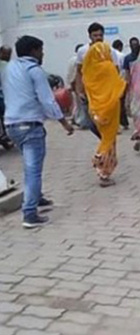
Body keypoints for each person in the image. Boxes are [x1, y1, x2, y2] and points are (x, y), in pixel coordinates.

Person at [3, 36, 74, 228]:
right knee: (33, 170)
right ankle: (30, 213)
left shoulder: (9, 69)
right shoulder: (35, 71)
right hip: (30, 125)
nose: (43, 53)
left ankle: (37, 197)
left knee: (30, 165)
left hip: (11, 125)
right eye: (41, 50)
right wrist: (64, 123)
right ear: (34, 51)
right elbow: (48, 100)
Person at [82, 42, 126, 187]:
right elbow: (118, 86)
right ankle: (103, 168)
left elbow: (86, 88)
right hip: (110, 108)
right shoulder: (108, 67)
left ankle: (102, 166)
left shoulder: (89, 70)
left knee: (105, 138)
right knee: (109, 140)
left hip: (95, 109)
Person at [75, 22, 119, 139]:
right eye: (95, 35)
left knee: (106, 121)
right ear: (89, 36)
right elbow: (79, 72)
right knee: (91, 123)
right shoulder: (82, 51)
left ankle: (107, 146)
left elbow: (116, 71)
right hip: (90, 93)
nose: (98, 38)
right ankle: (106, 141)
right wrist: (79, 90)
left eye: (100, 35)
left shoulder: (109, 50)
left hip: (106, 93)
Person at [111, 39, 129, 131]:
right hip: (121, 81)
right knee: (121, 103)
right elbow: (124, 69)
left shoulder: (110, 54)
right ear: (120, 47)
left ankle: (117, 123)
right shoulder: (122, 55)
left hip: (112, 82)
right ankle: (123, 122)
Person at [66, 44, 85, 128]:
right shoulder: (78, 61)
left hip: (73, 84)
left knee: (76, 104)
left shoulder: (71, 60)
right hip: (77, 84)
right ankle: (79, 121)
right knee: (80, 105)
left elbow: (69, 73)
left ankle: (75, 119)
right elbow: (76, 73)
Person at [0, 45, 15, 149]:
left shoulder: (8, 65)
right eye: (6, 53)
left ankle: (5, 136)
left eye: (9, 54)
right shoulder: (7, 66)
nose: (8, 56)